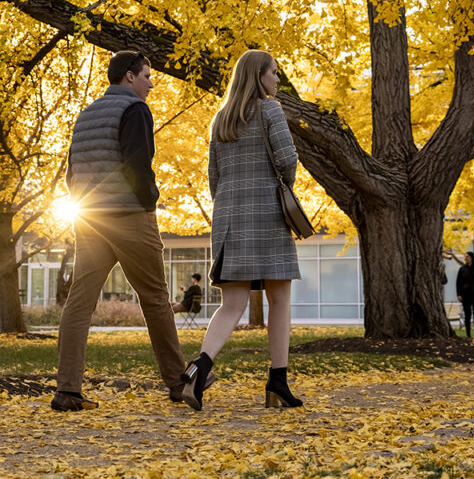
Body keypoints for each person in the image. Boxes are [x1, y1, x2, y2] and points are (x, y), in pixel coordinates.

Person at [52, 50, 196, 412]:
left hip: (89, 220)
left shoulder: (85, 114)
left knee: (79, 304)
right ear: (129, 76)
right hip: (130, 216)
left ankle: (67, 391)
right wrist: (149, 202)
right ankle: (178, 382)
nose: (150, 83)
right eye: (147, 75)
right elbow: (138, 165)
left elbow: (71, 171)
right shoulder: (134, 109)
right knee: (155, 299)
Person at [181, 50, 303, 411]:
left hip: (228, 218)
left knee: (231, 303)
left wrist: (232, 204)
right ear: (258, 76)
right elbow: (288, 161)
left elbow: (213, 180)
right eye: (274, 73)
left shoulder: (220, 120)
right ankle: (277, 383)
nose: (278, 80)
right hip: (266, 214)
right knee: (279, 299)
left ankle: (198, 370)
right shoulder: (270, 110)